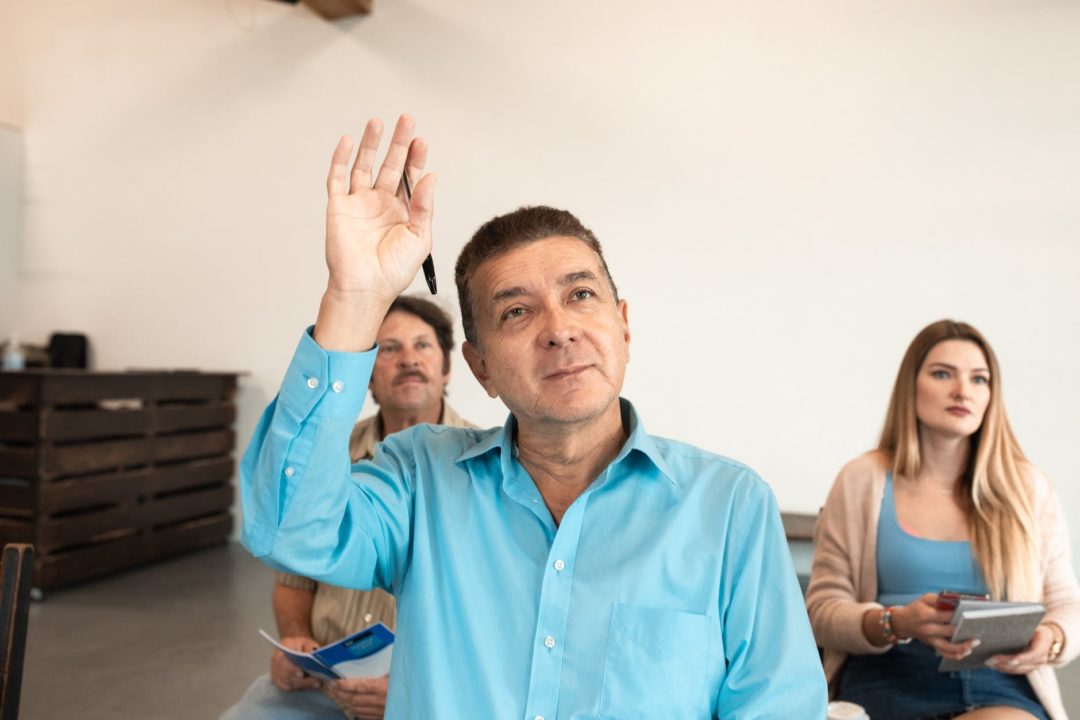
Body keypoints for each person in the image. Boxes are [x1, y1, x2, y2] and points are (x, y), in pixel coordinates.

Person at [240, 114, 827, 718]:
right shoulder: (421, 479)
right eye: (516, 312)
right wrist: (355, 299)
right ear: (481, 367)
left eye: (580, 295)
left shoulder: (728, 505)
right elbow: (286, 531)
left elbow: (776, 704)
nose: (560, 330)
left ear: (622, 325)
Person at [807, 320, 1080, 720]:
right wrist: (896, 622)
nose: (962, 391)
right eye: (942, 374)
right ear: (910, 387)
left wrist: (1051, 640)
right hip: (884, 677)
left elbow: (1067, 605)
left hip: (997, 681)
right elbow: (822, 612)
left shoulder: (1028, 487)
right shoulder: (862, 480)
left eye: (979, 379)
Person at [223, 295, 475, 720]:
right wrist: (296, 640)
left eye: (423, 346)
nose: (408, 359)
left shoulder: (486, 465)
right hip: (324, 683)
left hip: (431, 691)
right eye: (390, 348)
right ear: (367, 376)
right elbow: (294, 580)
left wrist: (417, 689)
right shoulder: (325, 455)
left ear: (447, 367)